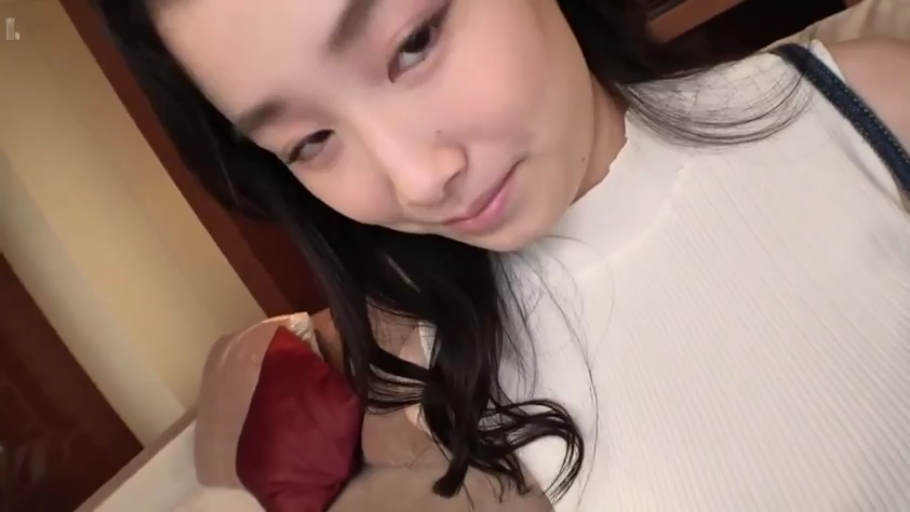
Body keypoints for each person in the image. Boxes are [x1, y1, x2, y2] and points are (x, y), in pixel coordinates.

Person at [97, 0, 910, 510]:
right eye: (310, 141)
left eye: (415, 41)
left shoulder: (867, 107)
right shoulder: (460, 371)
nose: (417, 179)